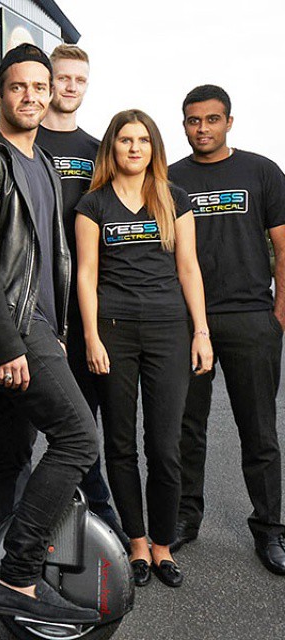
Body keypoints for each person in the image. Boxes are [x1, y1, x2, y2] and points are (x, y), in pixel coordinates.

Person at [0, 43, 99, 624]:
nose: (31, 96)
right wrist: (7, 344)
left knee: (9, 453)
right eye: (19, 87)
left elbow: (47, 260)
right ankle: (18, 573)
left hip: (37, 326)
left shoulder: (44, 165)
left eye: (40, 86)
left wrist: (56, 331)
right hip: (15, 327)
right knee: (78, 439)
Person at [75, 109, 213, 588]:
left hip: (168, 330)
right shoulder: (93, 204)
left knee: (165, 446)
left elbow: (189, 268)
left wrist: (201, 332)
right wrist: (91, 336)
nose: (134, 148)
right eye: (125, 140)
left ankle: (162, 545)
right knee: (120, 444)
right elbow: (86, 275)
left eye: (143, 140)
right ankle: (136, 543)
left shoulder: (174, 198)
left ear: (154, 147)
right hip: (113, 331)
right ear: (111, 147)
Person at [168, 85, 285, 575]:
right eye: (193, 120)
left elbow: (283, 245)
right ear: (184, 124)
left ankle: (270, 530)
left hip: (250, 318)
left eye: (212, 119)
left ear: (229, 122)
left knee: (259, 431)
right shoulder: (169, 177)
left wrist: (278, 314)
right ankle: (184, 517)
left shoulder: (261, 171)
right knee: (185, 428)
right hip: (188, 322)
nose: (202, 129)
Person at [35, 43, 125, 544]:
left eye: (79, 79)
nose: (70, 87)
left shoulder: (98, 151)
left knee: (81, 420)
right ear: (47, 81)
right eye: (62, 77)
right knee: (16, 435)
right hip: (33, 304)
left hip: (86, 304)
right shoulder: (23, 141)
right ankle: (18, 528)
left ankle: (99, 520)